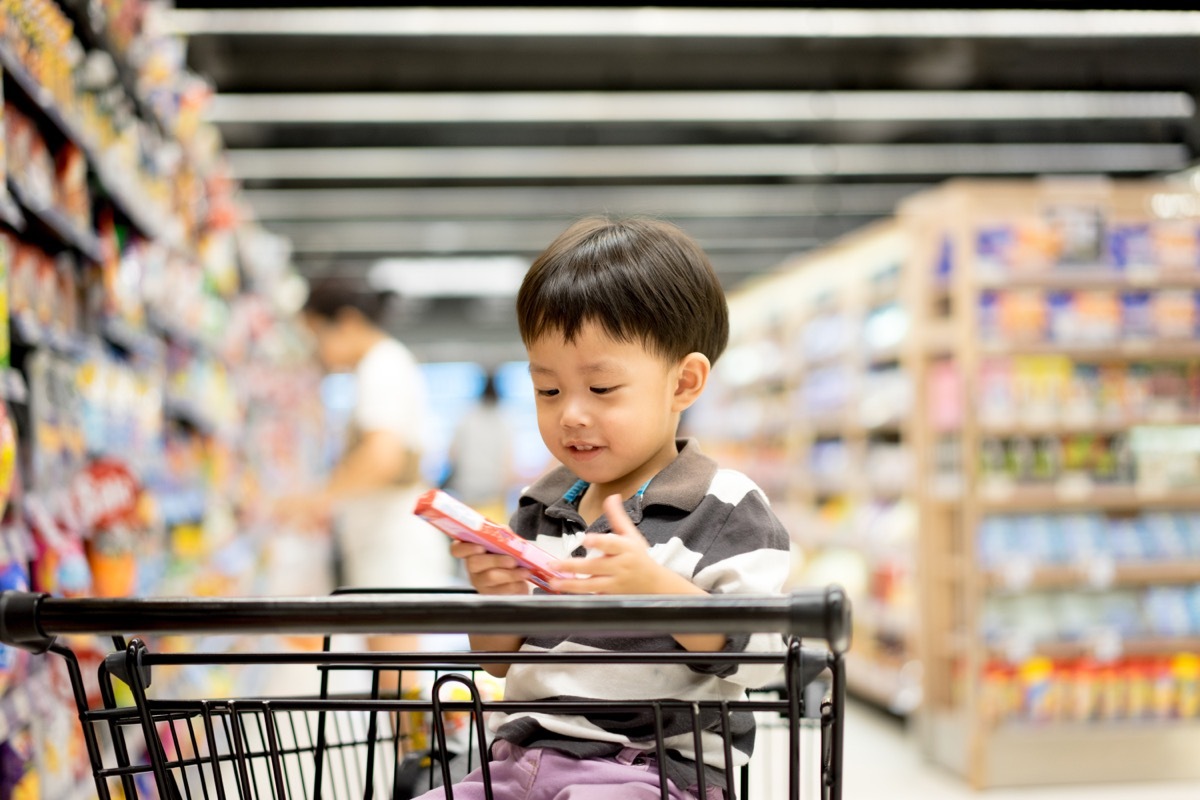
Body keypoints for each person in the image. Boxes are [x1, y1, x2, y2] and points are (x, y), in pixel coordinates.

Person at [421, 217, 791, 799]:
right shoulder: (540, 505)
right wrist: (496, 599)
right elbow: (498, 663)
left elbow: (766, 659)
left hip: (650, 772)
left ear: (684, 383)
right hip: (518, 761)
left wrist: (659, 590)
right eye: (547, 390)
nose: (570, 414)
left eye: (600, 389)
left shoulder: (725, 508)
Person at [279, 281, 456, 661]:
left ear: (346, 322)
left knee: (394, 673)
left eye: (317, 337)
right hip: (385, 535)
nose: (318, 353)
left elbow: (382, 456)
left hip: (392, 538)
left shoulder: (382, 365)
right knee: (390, 671)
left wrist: (317, 500)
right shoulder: (380, 364)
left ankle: (410, 726)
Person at [441, 369, 516, 522]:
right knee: (492, 538)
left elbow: (452, 454)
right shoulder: (504, 419)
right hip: (493, 495)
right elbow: (508, 463)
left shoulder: (466, 416)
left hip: (466, 493)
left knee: (467, 535)